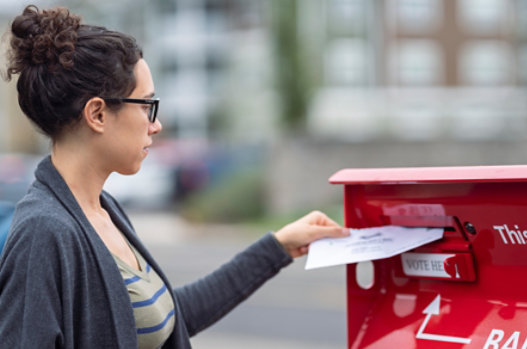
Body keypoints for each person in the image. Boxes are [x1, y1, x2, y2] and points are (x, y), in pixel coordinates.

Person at [0, 5, 349, 349]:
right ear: (98, 114)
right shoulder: (44, 232)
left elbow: (167, 317)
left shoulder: (105, 210)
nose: (156, 125)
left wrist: (279, 247)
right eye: (146, 105)